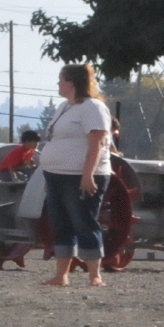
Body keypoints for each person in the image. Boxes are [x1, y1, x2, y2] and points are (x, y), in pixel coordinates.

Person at [39, 63, 113, 287]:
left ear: (71, 83)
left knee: (84, 221)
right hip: (56, 175)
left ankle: (94, 275)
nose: (58, 83)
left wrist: (87, 175)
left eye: (61, 79)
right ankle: (61, 275)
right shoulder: (64, 107)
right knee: (61, 222)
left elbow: (97, 142)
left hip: (80, 175)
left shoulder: (93, 107)